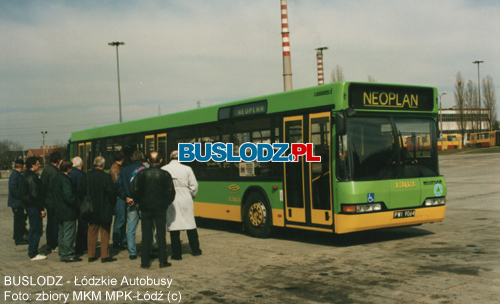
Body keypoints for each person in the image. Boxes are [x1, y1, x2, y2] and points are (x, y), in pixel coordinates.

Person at [130, 151, 176, 269]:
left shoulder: (141, 174)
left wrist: (139, 201)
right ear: (160, 161)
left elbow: (134, 189)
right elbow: (171, 192)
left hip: (145, 208)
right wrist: (165, 203)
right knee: (161, 235)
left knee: (146, 235)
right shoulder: (165, 174)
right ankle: (163, 260)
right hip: (160, 208)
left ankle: (145, 262)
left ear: (148, 161)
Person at [162, 150, 202, 260]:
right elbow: (194, 186)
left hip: (171, 199)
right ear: (179, 158)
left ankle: (177, 254)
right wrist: (190, 196)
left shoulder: (164, 169)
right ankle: (196, 250)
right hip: (185, 198)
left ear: (170, 158)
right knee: (190, 224)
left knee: (174, 226)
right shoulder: (187, 169)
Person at [79, 156, 117, 263]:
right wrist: (112, 204)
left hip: (91, 208)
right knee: (105, 232)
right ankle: (104, 255)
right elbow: (112, 192)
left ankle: (91, 255)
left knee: (91, 231)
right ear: (103, 165)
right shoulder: (106, 177)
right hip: (104, 207)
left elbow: (81, 190)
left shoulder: (87, 176)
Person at [116, 150, 145, 260]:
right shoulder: (144, 170)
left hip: (130, 202)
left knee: (131, 229)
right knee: (146, 227)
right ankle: (147, 248)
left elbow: (118, 186)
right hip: (142, 202)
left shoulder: (124, 171)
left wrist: (126, 198)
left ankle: (132, 252)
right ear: (142, 158)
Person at [52, 160, 81, 262]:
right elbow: (69, 197)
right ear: (69, 168)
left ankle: (62, 253)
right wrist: (77, 204)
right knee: (69, 233)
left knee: (61, 233)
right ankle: (69, 254)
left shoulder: (55, 178)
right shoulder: (66, 180)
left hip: (58, 210)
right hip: (67, 210)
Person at [21, 157, 47, 261]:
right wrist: (41, 208)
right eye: (37, 163)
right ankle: (33, 253)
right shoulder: (32, 177)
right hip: (34, 207)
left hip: (29, 206)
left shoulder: (25, 176)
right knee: (36, 230)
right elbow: (35, 195)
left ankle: (33, 251)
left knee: (33, 229)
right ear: (32, 165)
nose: (39, 165)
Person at [40, 151, 61, 253]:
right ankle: (54, 243)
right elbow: (55, 187)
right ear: (58, 161)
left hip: (47, 200)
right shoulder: (54, 172)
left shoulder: (46, 169)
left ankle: (49, 242)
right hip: (53, 201)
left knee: (50, 223)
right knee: (55, 223)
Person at [69, 156, 87, 255]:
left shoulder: (70, 173)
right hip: (80, 203)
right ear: (81, 164)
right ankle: (81, 246)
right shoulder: (80, 175)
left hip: (72, 202)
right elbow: (81, 190)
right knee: (82, 226)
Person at [109, 151, 127, 250]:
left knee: (121, 220)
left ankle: (121, 239)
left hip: (119, 197)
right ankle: (117, 241)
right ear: (122, 159)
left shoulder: (116, 167)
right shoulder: (116, 169)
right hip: (119, 198)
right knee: (120, 220)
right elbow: (117, 185)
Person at [8, 159, 28, 245]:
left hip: (18, 202)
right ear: (20, 166)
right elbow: (13, 189)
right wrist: (22, 197)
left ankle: (18, 236)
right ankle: (18, 239)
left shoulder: (18, 175)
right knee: (18, 221)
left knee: (20, 219)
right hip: (16, 202)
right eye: (24, 166)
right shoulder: (14, 175)